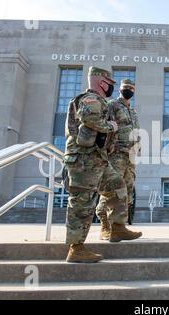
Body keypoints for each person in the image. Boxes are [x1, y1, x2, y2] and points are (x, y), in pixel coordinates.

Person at [64, 66, 132, 263]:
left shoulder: (100, 101)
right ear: (102, 82)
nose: (111, 87)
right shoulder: (90, 99)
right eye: (110, 84)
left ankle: (117, 228)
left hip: (97, 159)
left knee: (117, 186)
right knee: (82, 203)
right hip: (84, 160)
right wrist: (111, 126)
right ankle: (75, 248)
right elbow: (91, 120)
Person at [96, 79, 142, 241]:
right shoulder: (112, 105)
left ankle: (119, 226)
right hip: (116, 153)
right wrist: (107, 146)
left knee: (127, 190)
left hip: (130, 155)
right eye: (126, 88)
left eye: (131, 88)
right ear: (120, 90)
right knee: (112, 190)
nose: (128, 90)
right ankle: (105, 226)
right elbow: (104, 125)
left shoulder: (133, 111)